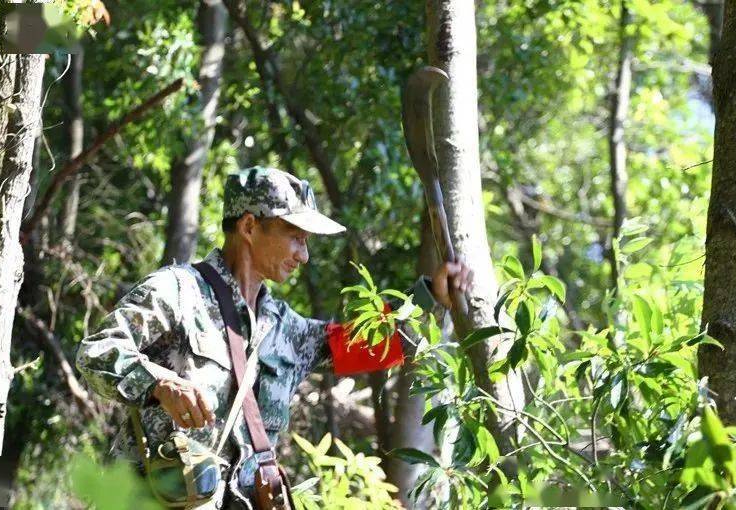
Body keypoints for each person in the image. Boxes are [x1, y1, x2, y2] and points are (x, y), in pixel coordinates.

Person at [75, 166, 473, 508]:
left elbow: (374, 346)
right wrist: (159, 383)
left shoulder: (284, 327)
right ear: (249, 226)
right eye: (296, 237)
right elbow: (96, 352)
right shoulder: (177, 291)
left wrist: (432, 297)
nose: (304, 255)